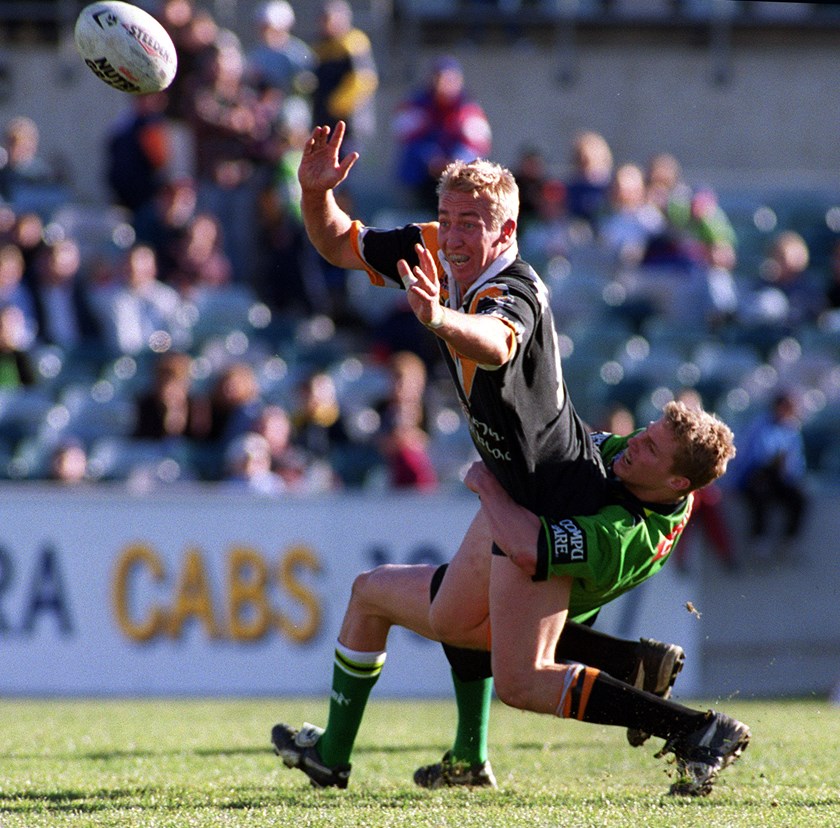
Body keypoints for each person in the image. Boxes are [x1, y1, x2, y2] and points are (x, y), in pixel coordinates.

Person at [271, 120, 750, 796]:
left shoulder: (513, 287)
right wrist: (314, 194)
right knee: (423, 611)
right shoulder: (434, 249)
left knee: (522, 677)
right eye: (447, 218)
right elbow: (339, 244)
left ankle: (692, 727)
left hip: (556, 498)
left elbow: (495, 342)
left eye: (473, 223)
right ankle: (411, 757)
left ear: (506, 232)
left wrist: (439, 319)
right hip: (520, 483)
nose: (456, 235)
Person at [272, 402, 748, 798]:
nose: (634, 442)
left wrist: (486, 484)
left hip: (548, 577)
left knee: (512, 677)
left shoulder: (622, 533)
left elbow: (526, 546)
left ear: (677, 484)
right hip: (557, 582)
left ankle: (686, 720)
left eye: (649, 448)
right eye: (645, 432)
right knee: (371, 593)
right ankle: (368, 756)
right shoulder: (644, 469)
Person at [393, 56, 492, 213]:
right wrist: (431, 159)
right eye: (439, 78)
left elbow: (477, 144)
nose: (443, 84)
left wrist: (454, 163)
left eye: (450, 79)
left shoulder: (468, 108)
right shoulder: (418, 104)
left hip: (457, 178)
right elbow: (406, 135)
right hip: (423, 177)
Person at [731, 390, 808, 561]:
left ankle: (790, 540)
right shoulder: (759, 426)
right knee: (760, 492)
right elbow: (751, 456)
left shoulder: (792, 429)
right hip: (757, 476)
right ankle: (759, 539)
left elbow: (796, 463)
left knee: (799, 498)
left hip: (780, 478)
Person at [310, 1, 378, 154]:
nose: (326, 24)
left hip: (349, 124)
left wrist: (334, 106)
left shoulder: (353, 42)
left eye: (329, 19)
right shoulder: (321, 46)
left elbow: (364, 80)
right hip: (326, 123)